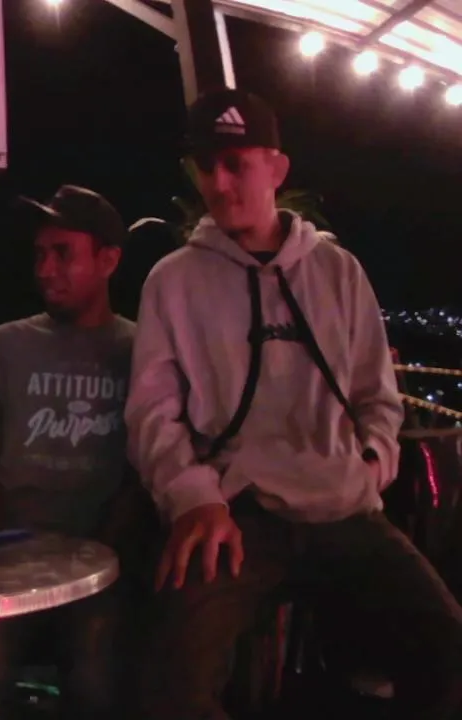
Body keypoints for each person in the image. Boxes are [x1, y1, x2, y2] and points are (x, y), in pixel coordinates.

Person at [126, 88, 462, 720]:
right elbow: (152, 413)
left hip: (344, 508)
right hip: (237, 514)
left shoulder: (338, 271)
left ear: (276, 169)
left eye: (236, 164)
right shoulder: (172, 281)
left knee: (449, 654)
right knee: (170, 679)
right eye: (206, 167)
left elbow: (377, 396)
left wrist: (370, 465)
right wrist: (194, 497)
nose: (218, 183)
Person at [0, 186, 137, 719]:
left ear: (108, 261)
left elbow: (147, 469)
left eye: (63, 253)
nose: (45, 270)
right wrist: (9, 548)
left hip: (103, 564)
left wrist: (102, 551)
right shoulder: (6, 345)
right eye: (39, 254)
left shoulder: (140, 350)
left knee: (98, 675)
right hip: (6, 561)